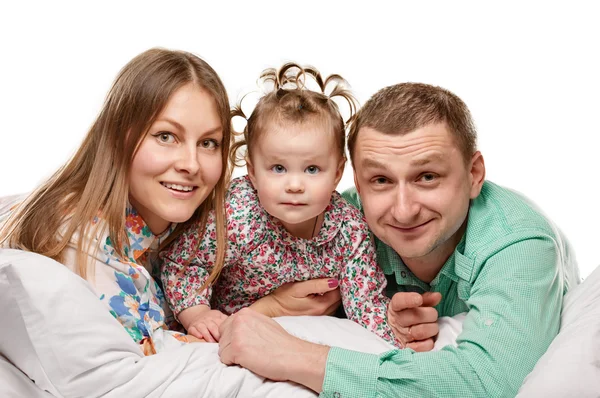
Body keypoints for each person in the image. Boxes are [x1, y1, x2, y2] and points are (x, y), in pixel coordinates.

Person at [217, 82, 580, 396]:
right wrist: (273, 308)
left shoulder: (521, 245)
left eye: (427, 176)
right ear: (355, 183)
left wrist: (297, 358)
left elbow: (486, 382)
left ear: (473, 174)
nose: (404, 210)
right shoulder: (342, 224)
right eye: (381, 181)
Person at [160, 63, 401, 347]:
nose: (295, 184)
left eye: (312, 169)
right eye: (278, 168)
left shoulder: (349, 230)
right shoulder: (237, 213)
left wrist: (394, 345)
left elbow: (366, 301)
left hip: (306, 335)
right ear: (252, 171)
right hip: (227, 325)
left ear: (337, 173)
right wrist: (197, 313)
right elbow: (184, 265)